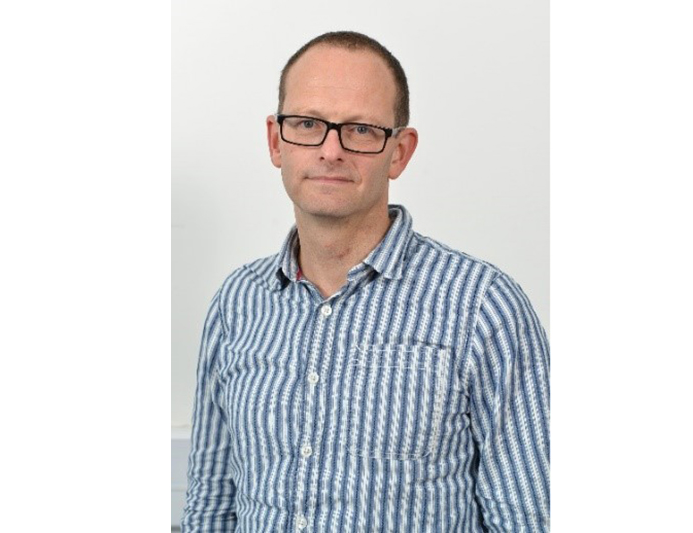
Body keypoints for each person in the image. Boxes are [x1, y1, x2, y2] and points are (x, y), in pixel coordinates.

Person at [181, 31, 550, 532]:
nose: (331, 150)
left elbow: (531, 519)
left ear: (399, 152)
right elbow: (210, 507)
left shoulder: (483, 308)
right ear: (275, 141)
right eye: (307, 124)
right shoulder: (237, 304)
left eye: (360, 129)